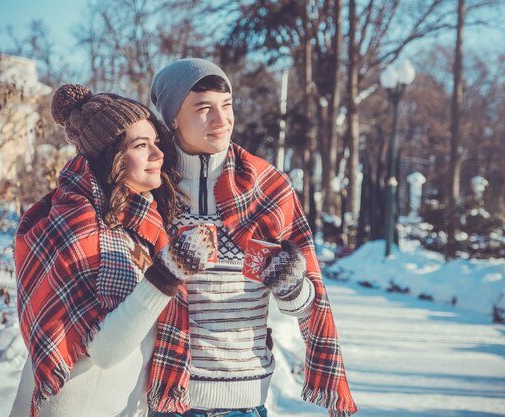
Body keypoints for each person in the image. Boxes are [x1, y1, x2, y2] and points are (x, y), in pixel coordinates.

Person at [146, 58, 358, 417]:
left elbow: (308, 305)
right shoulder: (151, 191)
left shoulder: (269, 188)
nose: (221, 119)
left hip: (244, 402)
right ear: (173, 119)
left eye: (226, 106)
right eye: (203, 109)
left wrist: (290, 282)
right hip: (167, 400)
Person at [9, 84, 215, 417]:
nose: (158, 154)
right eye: (141, 145)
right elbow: (104, 349)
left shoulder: (145, 229)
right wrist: (167, 273)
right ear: (111, 157)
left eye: (157, 143)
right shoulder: (81, 226)